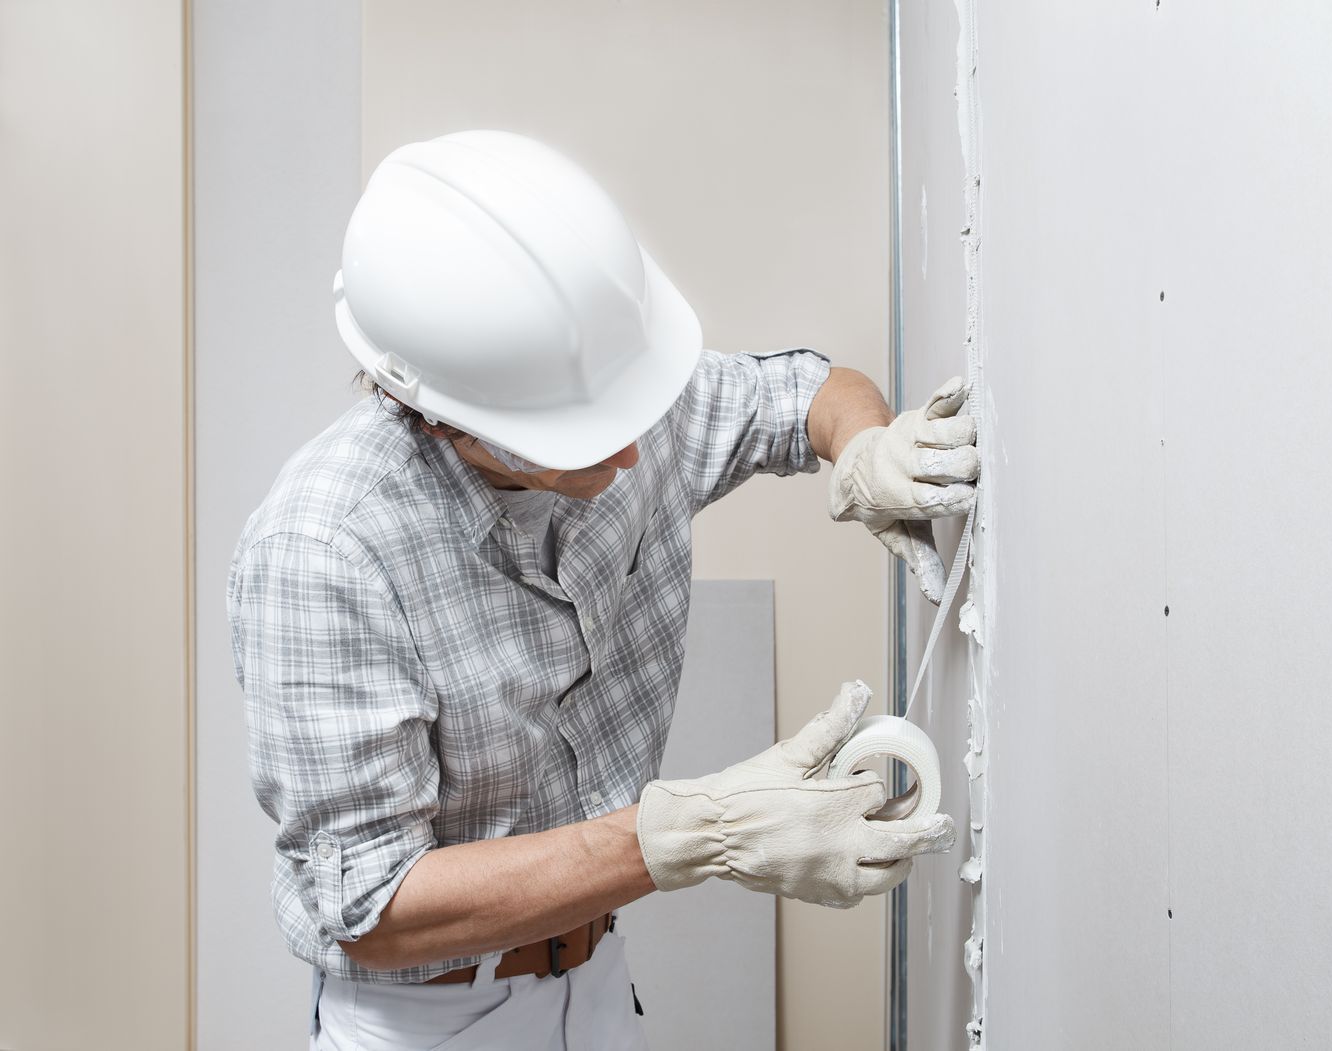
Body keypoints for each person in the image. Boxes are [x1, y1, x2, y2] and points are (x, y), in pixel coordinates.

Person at [228, 130, 973, 1050]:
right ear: (443, 415)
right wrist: (693, 834)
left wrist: (867, 444)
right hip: (429, 1021)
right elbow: (372, 906)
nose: (629, 454)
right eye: (581, 435)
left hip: (597, 981)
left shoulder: (614, 394)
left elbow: (808, 393)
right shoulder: (326, 549)